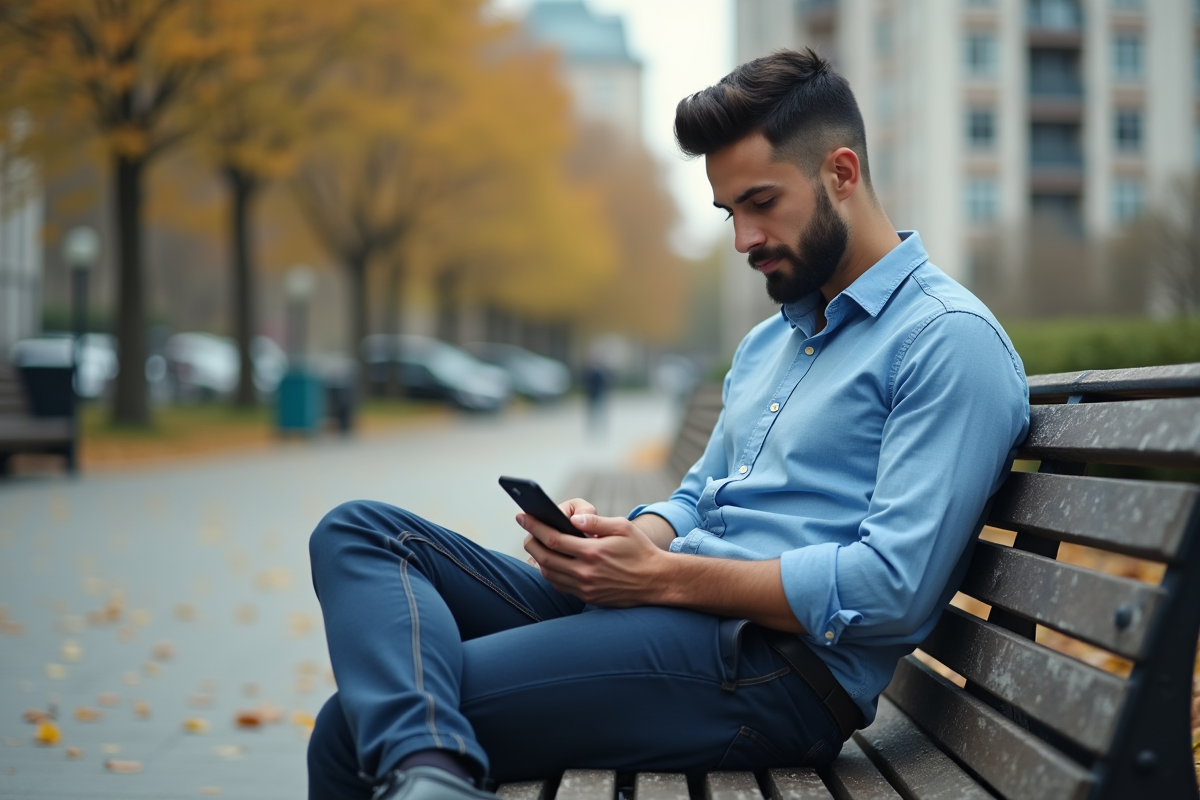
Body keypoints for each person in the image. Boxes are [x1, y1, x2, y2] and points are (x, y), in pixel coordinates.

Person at [306, 48, 1029, 800]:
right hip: (674, 612)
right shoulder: (769, 344)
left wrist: (667, 577)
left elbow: (892, 589)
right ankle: (432, 769)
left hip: (773, 668)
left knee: (354, 731)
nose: (744, 239)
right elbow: (695, 499)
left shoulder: (946, 342)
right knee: (361, 532)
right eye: (729, 214)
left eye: (761, 202)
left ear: (841, 174)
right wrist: (625, 541)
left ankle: (430, 769)